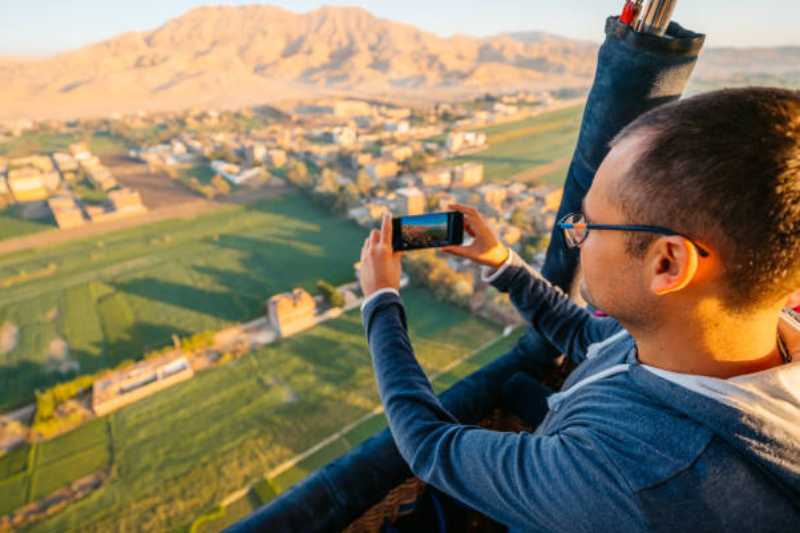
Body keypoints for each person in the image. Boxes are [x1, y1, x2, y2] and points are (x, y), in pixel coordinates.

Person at [358, 87, 799, 532]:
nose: (577, 235)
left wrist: (380, 299)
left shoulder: (631, 479)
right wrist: (501, 263)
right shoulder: (716, 334)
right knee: (514, 384)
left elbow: (430, 446)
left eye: (587, 224)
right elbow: (591, 340)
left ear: (668, 264)